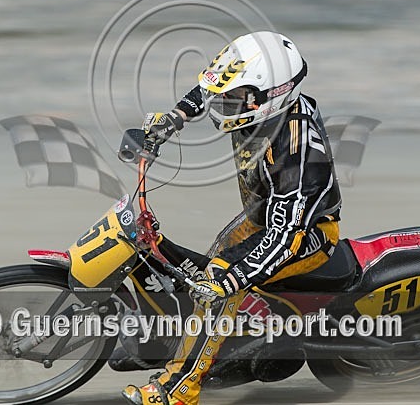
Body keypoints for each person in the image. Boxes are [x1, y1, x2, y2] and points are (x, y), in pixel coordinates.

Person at [122, 31, 342, 405]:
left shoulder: (297, 156)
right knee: (210, 264)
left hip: (305, 235)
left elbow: (286, 238)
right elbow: (206, 91)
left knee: (219, 283)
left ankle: (179, 389)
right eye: (226, 95)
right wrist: (173, 119)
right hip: (262, 215)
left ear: (271, 95)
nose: (222, 104)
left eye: (234, 97)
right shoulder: (265, 104)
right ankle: (217, 339)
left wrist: (230, 280)